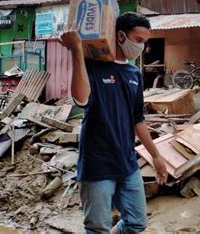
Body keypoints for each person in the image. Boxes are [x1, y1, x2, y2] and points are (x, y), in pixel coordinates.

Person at [60, 12, 167, 233]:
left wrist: (156, 156)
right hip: (97, 164)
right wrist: (76, 50)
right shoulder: (92, 66)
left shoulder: (134, 73)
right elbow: (81, 99)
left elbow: (138, 119)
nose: (142, 47)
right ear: (120, 36)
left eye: (145, 42)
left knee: (137, 222)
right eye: (138, 40)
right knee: (97, 227)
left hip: (127, 164)